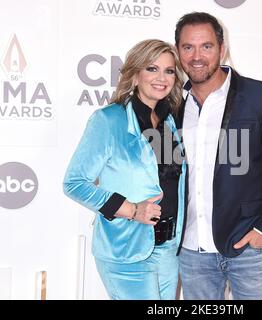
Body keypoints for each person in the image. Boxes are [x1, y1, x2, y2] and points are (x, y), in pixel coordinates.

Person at [174, 12, 262, 300]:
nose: (197, 56)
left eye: (206, 46)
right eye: (188, 47)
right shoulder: (172, 105)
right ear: (178, 52)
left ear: (222, 49)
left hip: (248, 248)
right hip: (192, 252)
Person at [63, 39, 186, 300]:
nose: (161, 78)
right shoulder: (108, 120)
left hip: (168, 249)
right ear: (134, 75)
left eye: (169, 70)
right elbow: (74, 182)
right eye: (152, 69)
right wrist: (131, 210)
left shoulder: (170, 121)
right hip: (126, 250)